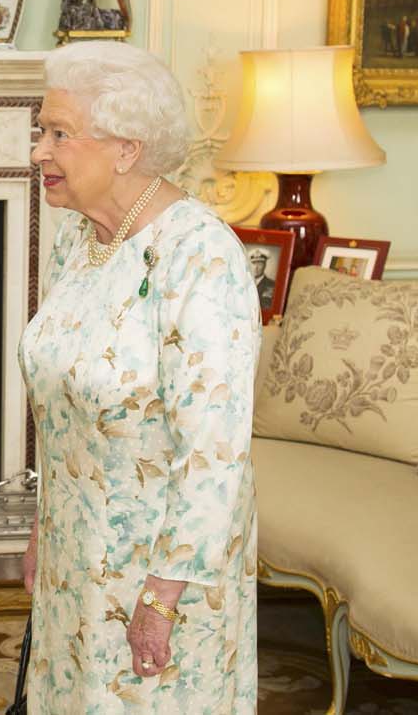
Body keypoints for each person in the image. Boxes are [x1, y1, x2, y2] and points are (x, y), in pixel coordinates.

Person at [20, 41, 260, 712]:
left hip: (158, 571)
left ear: (126, 148)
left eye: (59, 133)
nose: (39, 150)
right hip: (80, 551)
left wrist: (162, 596)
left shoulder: (201, 258)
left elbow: (215, 450)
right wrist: (46, 525)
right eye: (42, 131)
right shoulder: (81, 239)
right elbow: (63, 398)